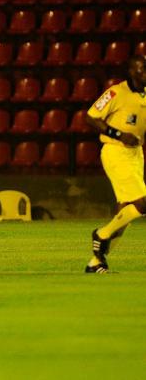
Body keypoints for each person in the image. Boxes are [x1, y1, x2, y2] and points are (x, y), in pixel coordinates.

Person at [85, 54, 146, 273]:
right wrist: (119, 134)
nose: (145, 73)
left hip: (136, 154)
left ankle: (96, 263)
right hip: (116, 151)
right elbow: (91, 117)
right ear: (131, 71)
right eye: (141, 69)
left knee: (125, 213)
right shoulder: (115, 93)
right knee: (142, 203)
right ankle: (101, 234)